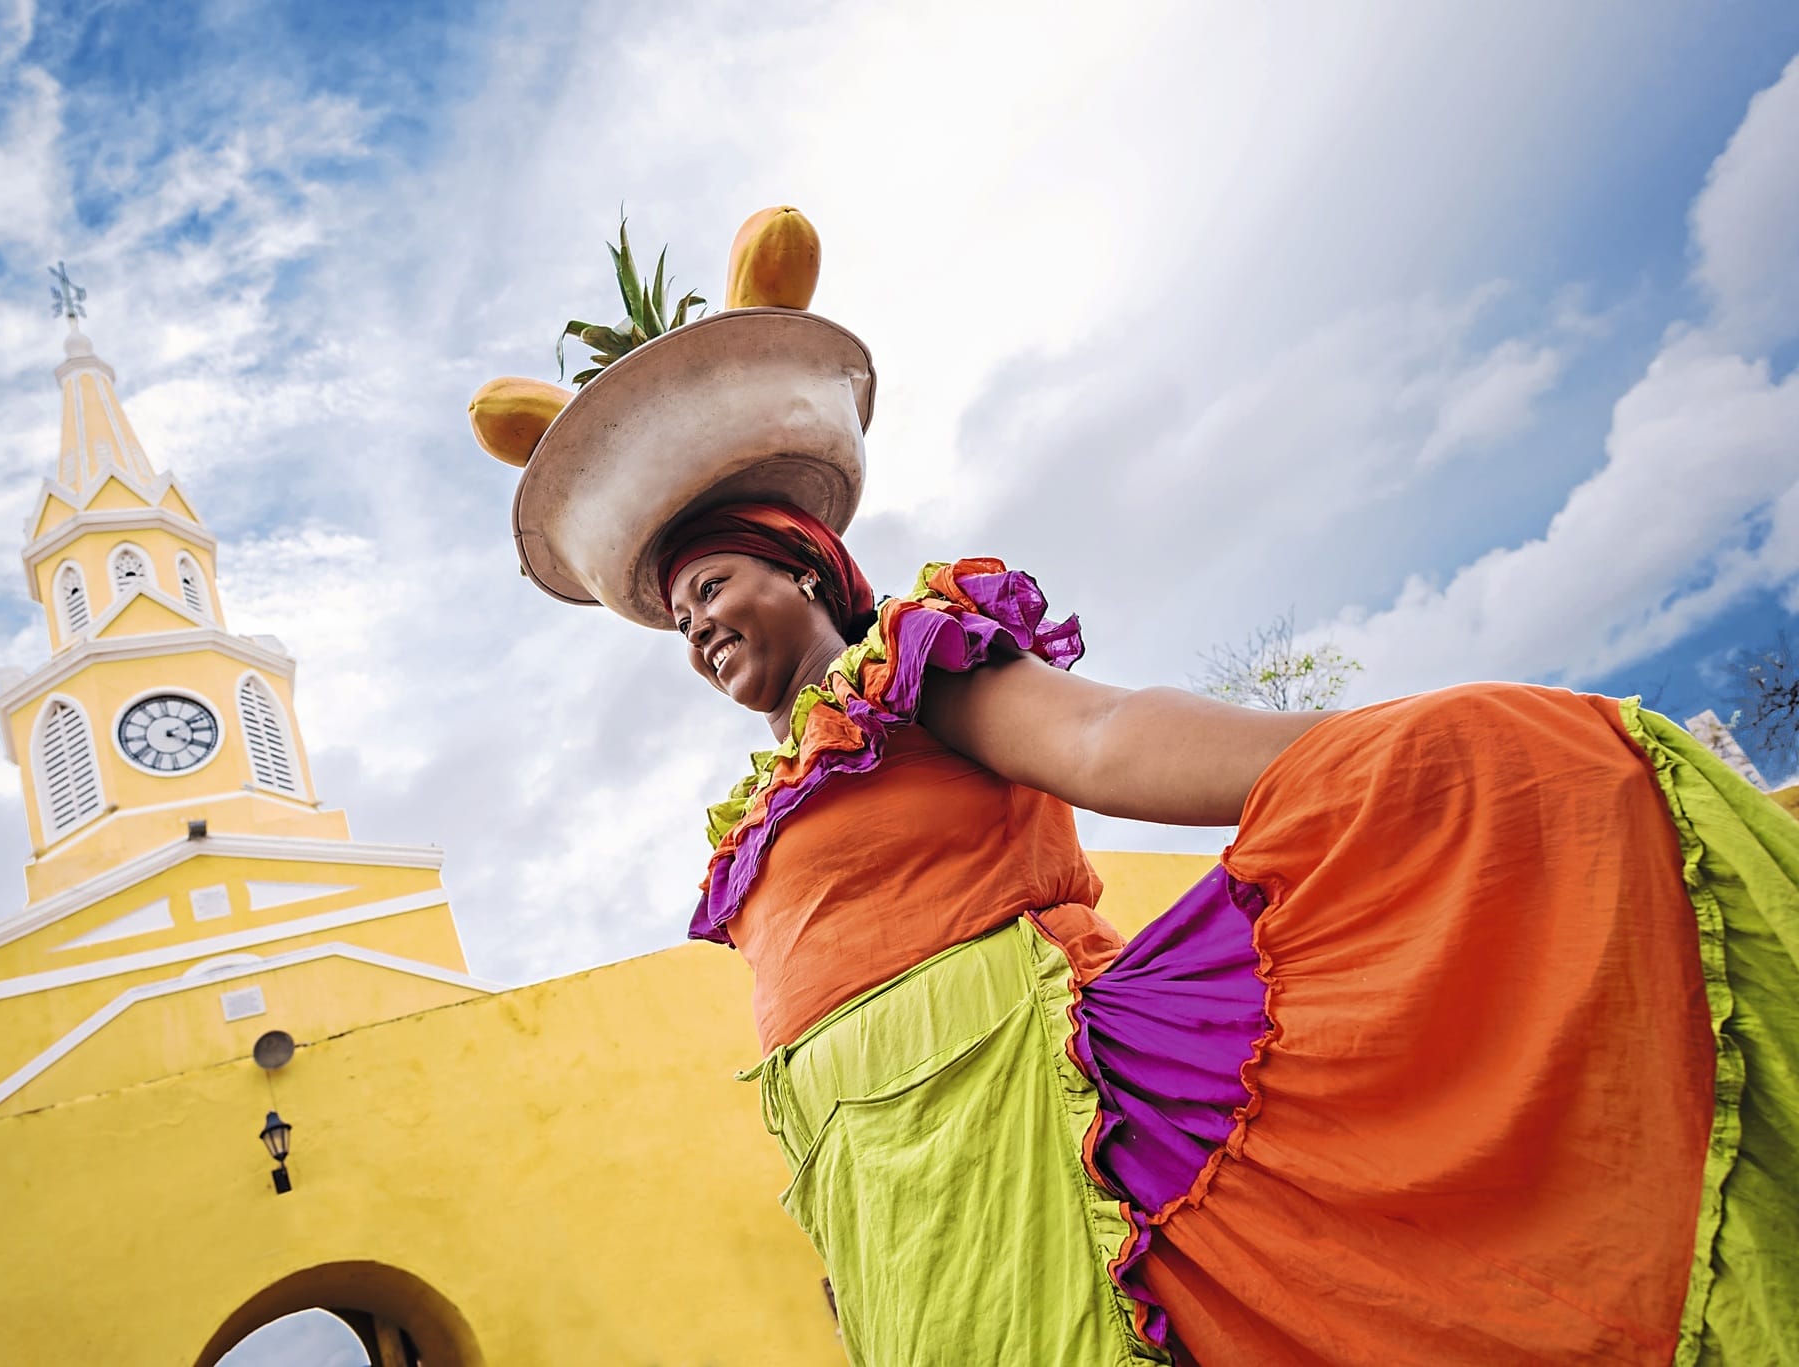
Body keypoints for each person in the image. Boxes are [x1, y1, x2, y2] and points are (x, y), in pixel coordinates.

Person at [491, 295, 1798, 1364]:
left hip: (1027, 1116)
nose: (702, 626)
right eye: (680, 620)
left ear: (804, 565)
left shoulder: (914, 674)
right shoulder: (763, 814)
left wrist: (1354, 753)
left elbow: (1104, 738)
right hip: (888, 1191)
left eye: (714, 586)